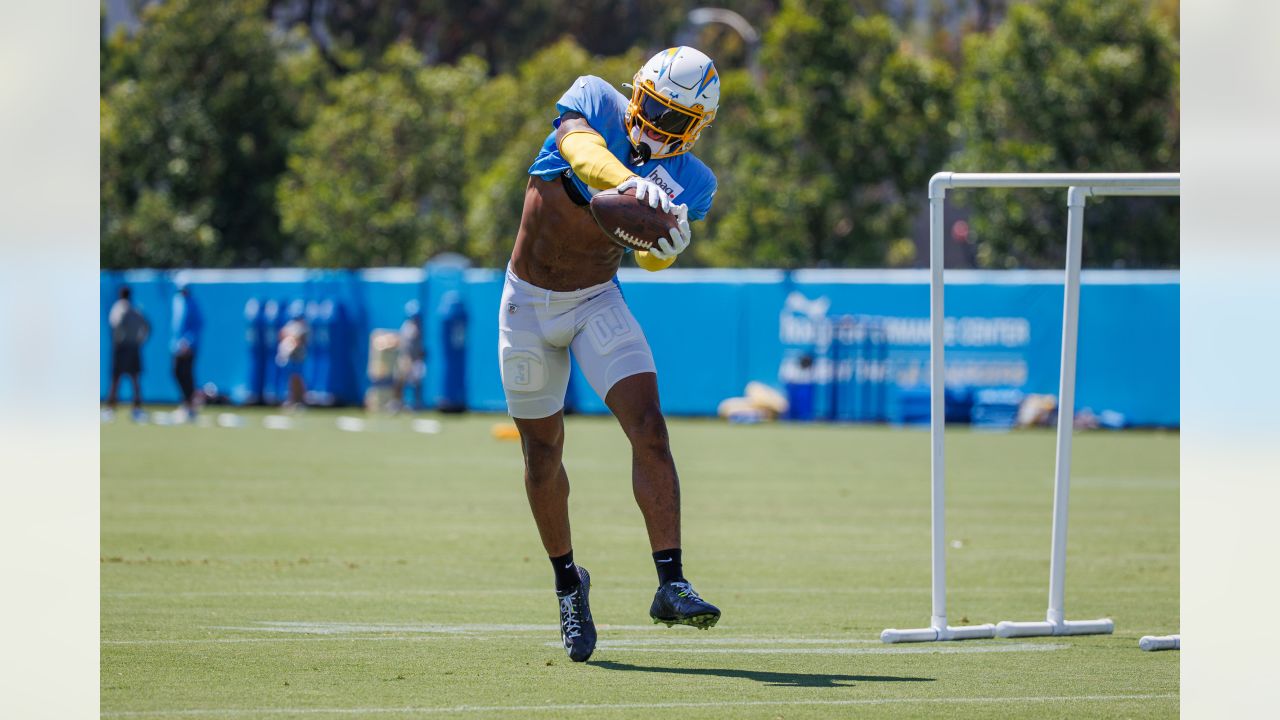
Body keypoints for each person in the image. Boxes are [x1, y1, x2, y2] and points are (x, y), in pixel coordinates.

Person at [502, 46, 722, 662]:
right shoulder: (596, 98)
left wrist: (667, 247)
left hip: (597, 298)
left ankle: (671, 581)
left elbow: (648, 254)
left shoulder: (694, 183)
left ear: (695, 129)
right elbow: (579, 151)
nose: (654, 126)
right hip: (526, 302)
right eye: (650, 106)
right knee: (542, 454)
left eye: (674, 121)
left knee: (650, 428)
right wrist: (631, 184)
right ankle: (569, 584)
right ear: (636, 91)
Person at [106, 286, 151, 421]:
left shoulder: (118, 307)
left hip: (122, 347)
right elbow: (147, 326)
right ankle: (136, 409)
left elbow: (115, 323)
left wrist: (119, 337)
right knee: (134, 379)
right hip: (133, 347)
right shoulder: (136, 308)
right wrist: (140, 340)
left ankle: (110, 409)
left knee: (116, 379)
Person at [170, 282, 203, 421]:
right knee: (177, 373)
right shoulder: (177, 301)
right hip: (176, 345)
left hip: (188, 346)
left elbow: (198, 325)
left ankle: (190, 406)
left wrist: (188, 342)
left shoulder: (193, 304)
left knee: (187, 375)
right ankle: (186, 403)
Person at [393, 300, 427, 412]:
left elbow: (418, 347)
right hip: (406, 358)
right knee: (400, 381)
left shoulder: (418, 328)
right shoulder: (407, 327)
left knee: (416, 383)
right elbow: (405, 344)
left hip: (415, 359)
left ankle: (416, 404)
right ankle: (398, 403)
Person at [276, 300, 309, 409]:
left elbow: (299, 340)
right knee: (291, 379)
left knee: (298, 379)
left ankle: (301, 401)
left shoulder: (303, 326)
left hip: (298, 356)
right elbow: (281, 334)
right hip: (290, 356)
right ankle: (292, 400)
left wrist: (292, 341)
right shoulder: (290, 325)